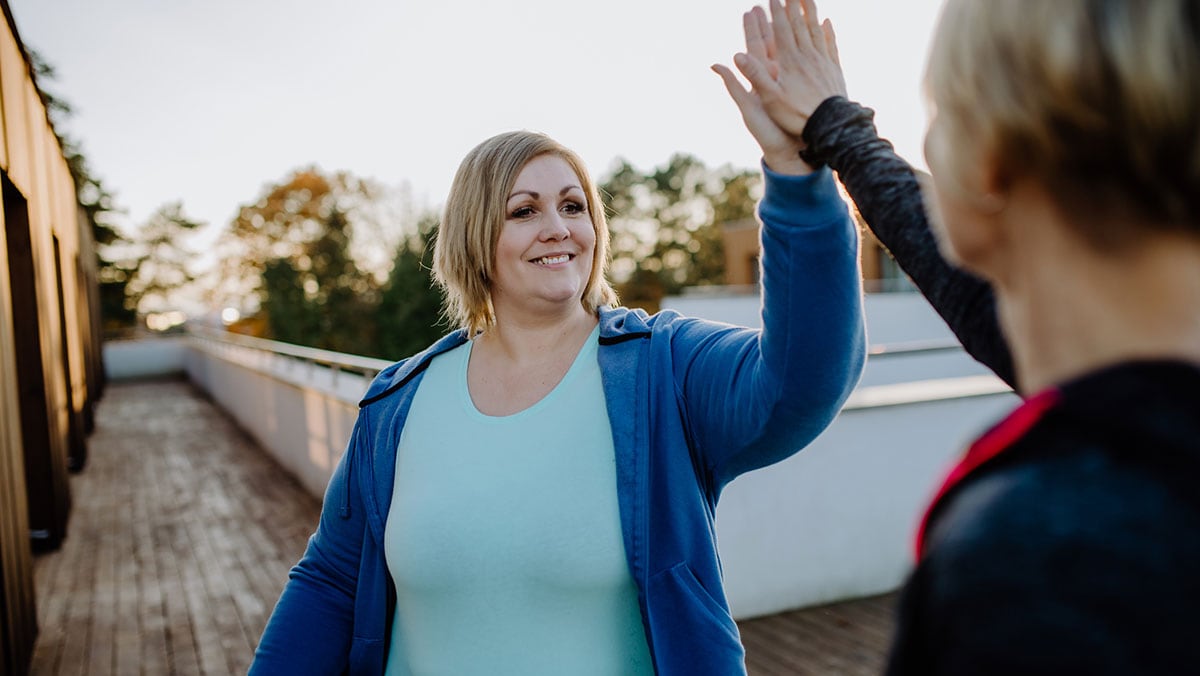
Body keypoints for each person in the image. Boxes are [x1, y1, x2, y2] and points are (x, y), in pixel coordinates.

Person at [249, 58, 867, 676]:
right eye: (524, 211)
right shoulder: (397, 402)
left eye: (574, 207)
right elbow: (330, 582)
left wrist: (797, 180)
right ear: (474, 237)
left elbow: (800, 383)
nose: (558, 229)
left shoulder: (664, 369)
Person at [720, 0, 1200, 672]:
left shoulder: (1046, 556)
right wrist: (837, 128)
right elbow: (983, 304)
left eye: (941, 119)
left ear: (990, 167)